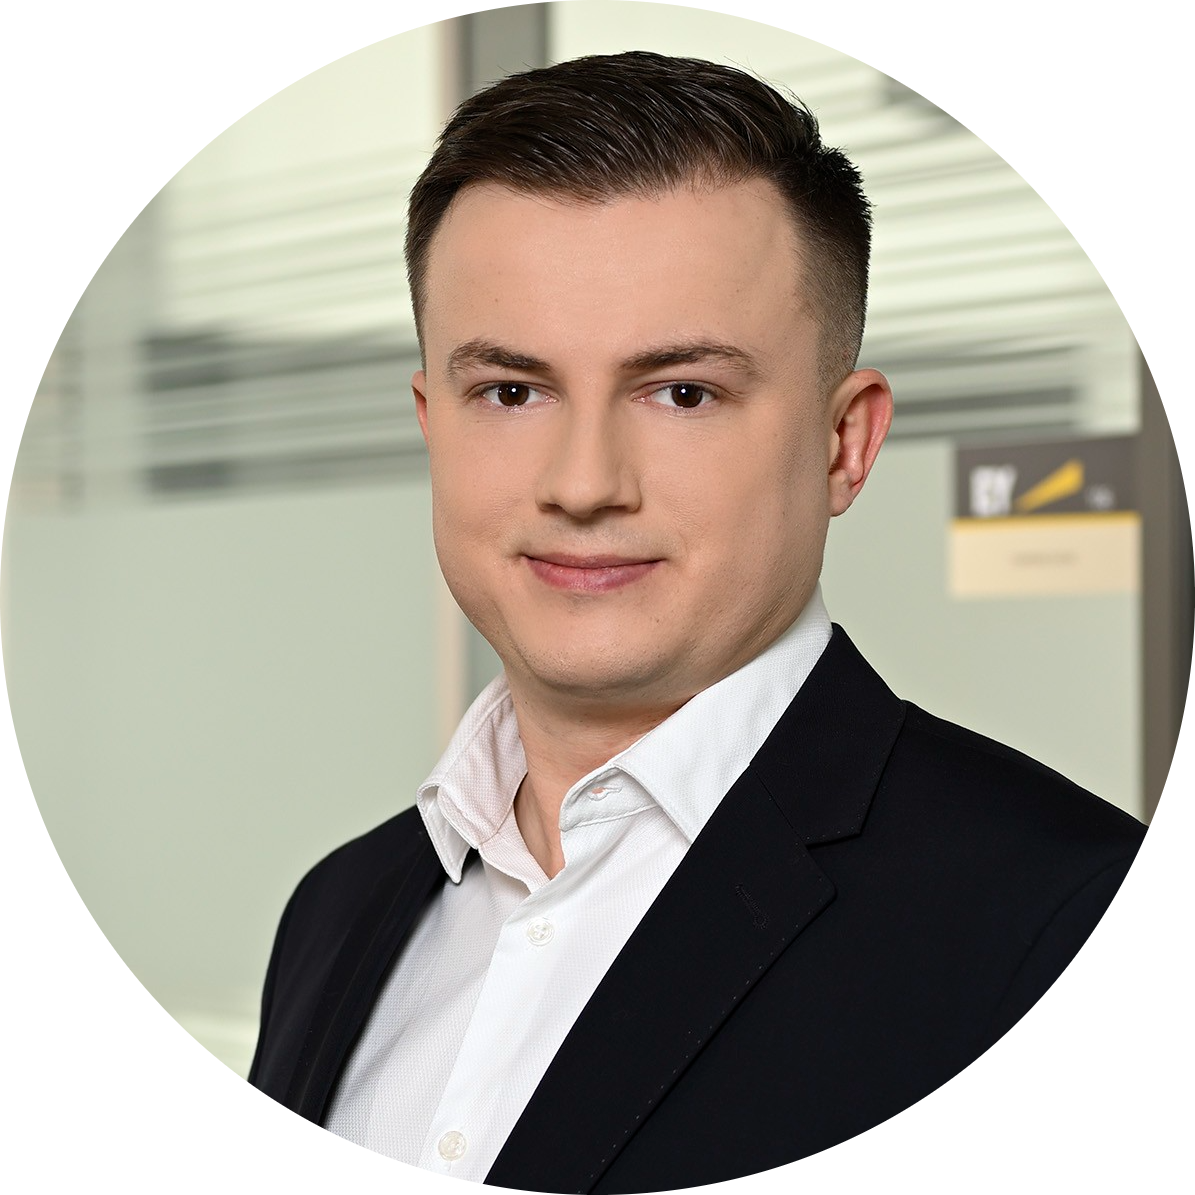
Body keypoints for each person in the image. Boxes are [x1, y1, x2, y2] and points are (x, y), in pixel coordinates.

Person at [247, 51, 1146, 1188]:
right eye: (510, 392)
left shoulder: (1052, 916)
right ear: (433, 422)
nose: (583, 483)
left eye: (683, 392)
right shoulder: (339, 907)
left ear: (844, 443)